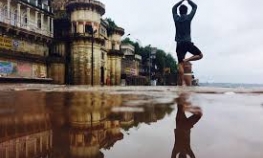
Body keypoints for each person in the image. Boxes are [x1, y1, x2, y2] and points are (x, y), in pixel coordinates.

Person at [172, 0, 203, 86]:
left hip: (179, 44)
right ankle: (187, 60)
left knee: (180, 64)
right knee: (200, 55)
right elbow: (195, 7)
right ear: (186, 11)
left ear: (179, 11)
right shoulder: (188, 18)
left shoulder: (176, 18)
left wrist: (181, 1)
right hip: (187, 43)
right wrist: (188, 1)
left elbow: (173, 8)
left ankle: (180, 86)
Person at [171, 93, 203, 158]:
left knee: (181, 107)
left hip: (184, 126)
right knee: (180, 107)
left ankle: (183, 95)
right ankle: (184, 101)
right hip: (182, 126)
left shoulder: (184, 149)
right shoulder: (180, 149)